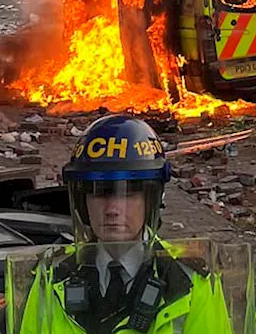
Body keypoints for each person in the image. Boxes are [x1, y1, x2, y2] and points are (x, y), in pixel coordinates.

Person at [19, 115, 233, 334]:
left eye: (128, 194)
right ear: (84, 204)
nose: (112, 209)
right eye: (100, 194)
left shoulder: (189, 282)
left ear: (151, 201)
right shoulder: (52, 278)